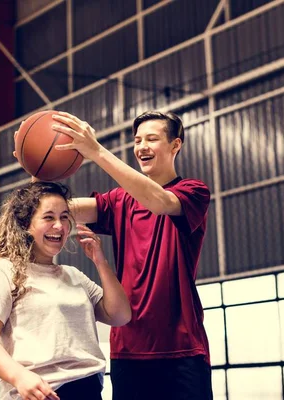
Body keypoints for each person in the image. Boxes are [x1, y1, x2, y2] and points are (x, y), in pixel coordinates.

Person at [45, 110, 213, 400]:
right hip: (128, 349)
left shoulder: (193, 192)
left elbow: (159, 201)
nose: (141, 147)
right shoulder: (119, 200)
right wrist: (39, 171)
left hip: (182, 347)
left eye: (152, 139)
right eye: (137, 140)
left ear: (176, 145)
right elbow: (63, 209)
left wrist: (96, 151)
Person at [0, 181, 131, 400]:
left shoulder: (73, 276)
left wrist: (100, 261)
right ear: (26, 225)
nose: (59, 226)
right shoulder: (3, 271)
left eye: (64, 217)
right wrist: (19, 377)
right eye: (48, 217)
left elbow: (120, 315)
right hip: (40, 391)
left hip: (89, 389)